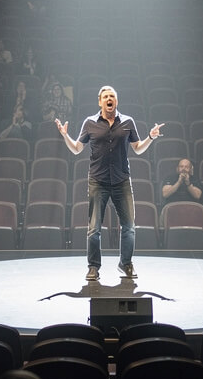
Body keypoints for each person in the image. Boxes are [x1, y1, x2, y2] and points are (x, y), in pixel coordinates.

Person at [56, 85, 163, 281]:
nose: (109, 99)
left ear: (116, 101)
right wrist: (65, 135)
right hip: (98, 181)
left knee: (129, 226)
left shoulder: (128, 122)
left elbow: (138, 149)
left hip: (122, 180)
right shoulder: (90, 123)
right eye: (105, 96)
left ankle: (126, 263)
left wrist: (150, 137)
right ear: (100, 101)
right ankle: (93, 267)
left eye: (112, 96)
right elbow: (77, 149)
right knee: (94, 228)